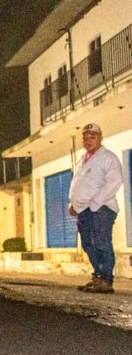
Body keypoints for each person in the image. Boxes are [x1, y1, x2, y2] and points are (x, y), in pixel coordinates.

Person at [68, 122, 122, 294]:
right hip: (83, 210)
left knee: (101, 243)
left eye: (93, 137)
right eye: (85, 138)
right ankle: (98, 277)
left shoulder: (108, 157)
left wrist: (96, 203)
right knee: (88, 244)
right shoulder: (81, 160)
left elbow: (115, 181)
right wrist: (74, 204)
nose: (88, 141)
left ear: (100, 138)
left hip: (102, 209)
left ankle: (106, 279)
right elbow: (79, 184)